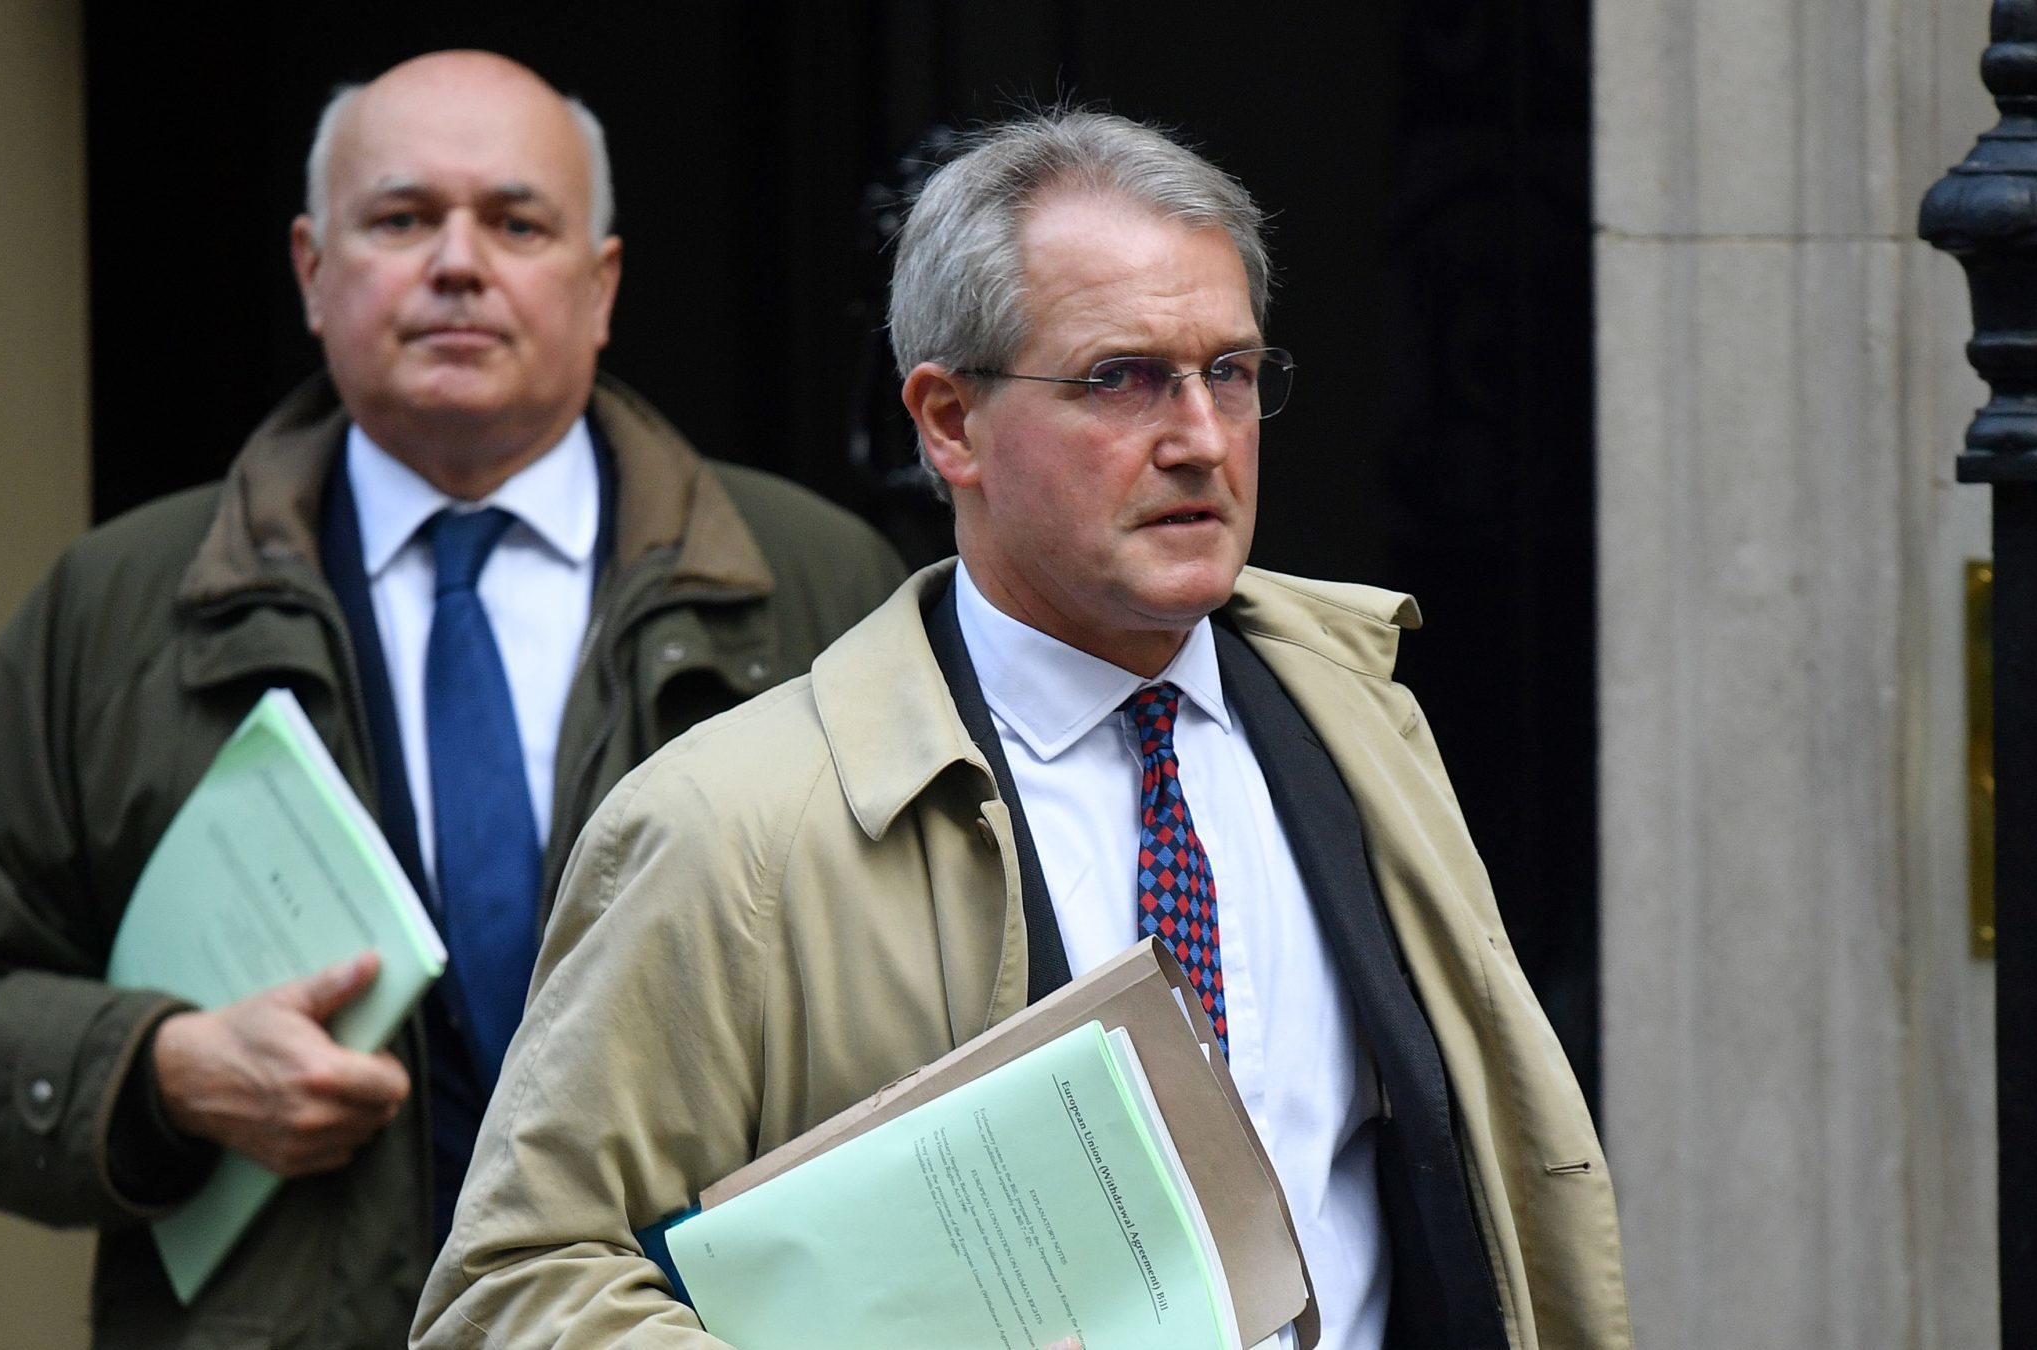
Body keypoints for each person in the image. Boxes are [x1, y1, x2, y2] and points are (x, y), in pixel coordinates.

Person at [412, 110, 1631, 1350]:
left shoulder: (1363, 723)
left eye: (1230, 371)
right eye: (1121, 378)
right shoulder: (730, 829)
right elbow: (510, 1292)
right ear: (948, 423)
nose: (1201, 439)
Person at [0, 50, 907, 1350]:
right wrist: (161, 1072)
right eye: (404, 219)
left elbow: (951, 998)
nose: (458, 264)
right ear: (312, 270)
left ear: (603, 285)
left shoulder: (817, 585)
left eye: (517, 223)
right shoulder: (118, 605)